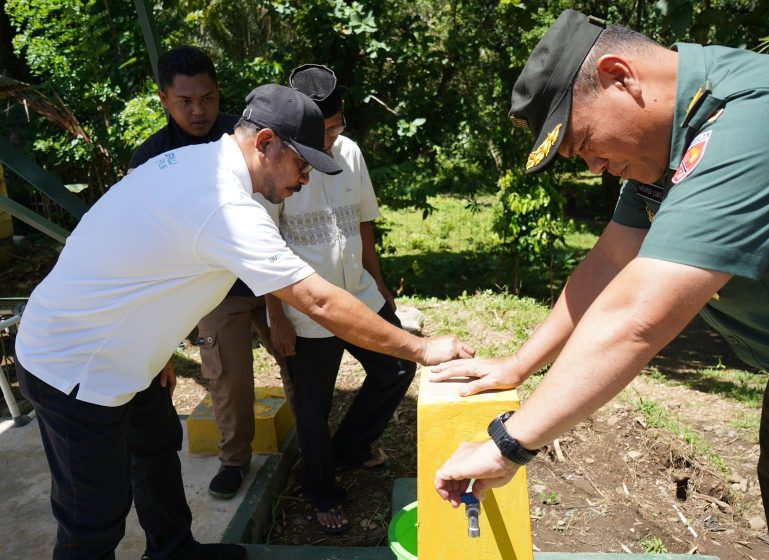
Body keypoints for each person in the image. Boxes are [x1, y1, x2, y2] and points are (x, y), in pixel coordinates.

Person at [15, 83, 473, 560]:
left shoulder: (193, 164)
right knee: (94, 519)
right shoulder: (224, 205)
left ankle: (175, 551)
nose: (305, 180)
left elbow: (132, 256)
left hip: (122, 354)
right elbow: (317, 301)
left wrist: (153, 354)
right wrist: (421, 349)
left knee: (155, 450)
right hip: (72, 366)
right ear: (266, 142)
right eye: (302, 165)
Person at [430, 9, 769, 559]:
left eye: (585, 143)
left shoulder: (759, 117)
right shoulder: (665, 149)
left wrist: (510, 443)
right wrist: (518, 366)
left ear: (619, 75)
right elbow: (610, 262)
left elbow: (639, 315)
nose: (597, 166)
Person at [128, 45, 293, 502]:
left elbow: (274, 224)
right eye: (186, 102)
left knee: (299, 361)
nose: (199, 111)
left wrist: (278, 308)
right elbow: (150, 251)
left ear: (220, 93)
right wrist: (159, 339)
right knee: (226, 376)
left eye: (208, 98)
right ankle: (234, 460)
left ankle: (313, 446)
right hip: (213, 292)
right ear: (163, 99)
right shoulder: (151, 161)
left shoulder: (246, 143)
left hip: (271, 274)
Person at [262, 64, 415, 534]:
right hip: (306, 309)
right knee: (312, 406)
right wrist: (277, 318)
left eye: (337, 126)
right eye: (323, 131)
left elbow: (363, 225)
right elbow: (262, 246)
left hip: (360, 294)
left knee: (397, 368)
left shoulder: (350, 152)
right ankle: (321, 490)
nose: (332, 137)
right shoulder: (276, 164)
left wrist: (382, 289)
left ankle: (349, 447)